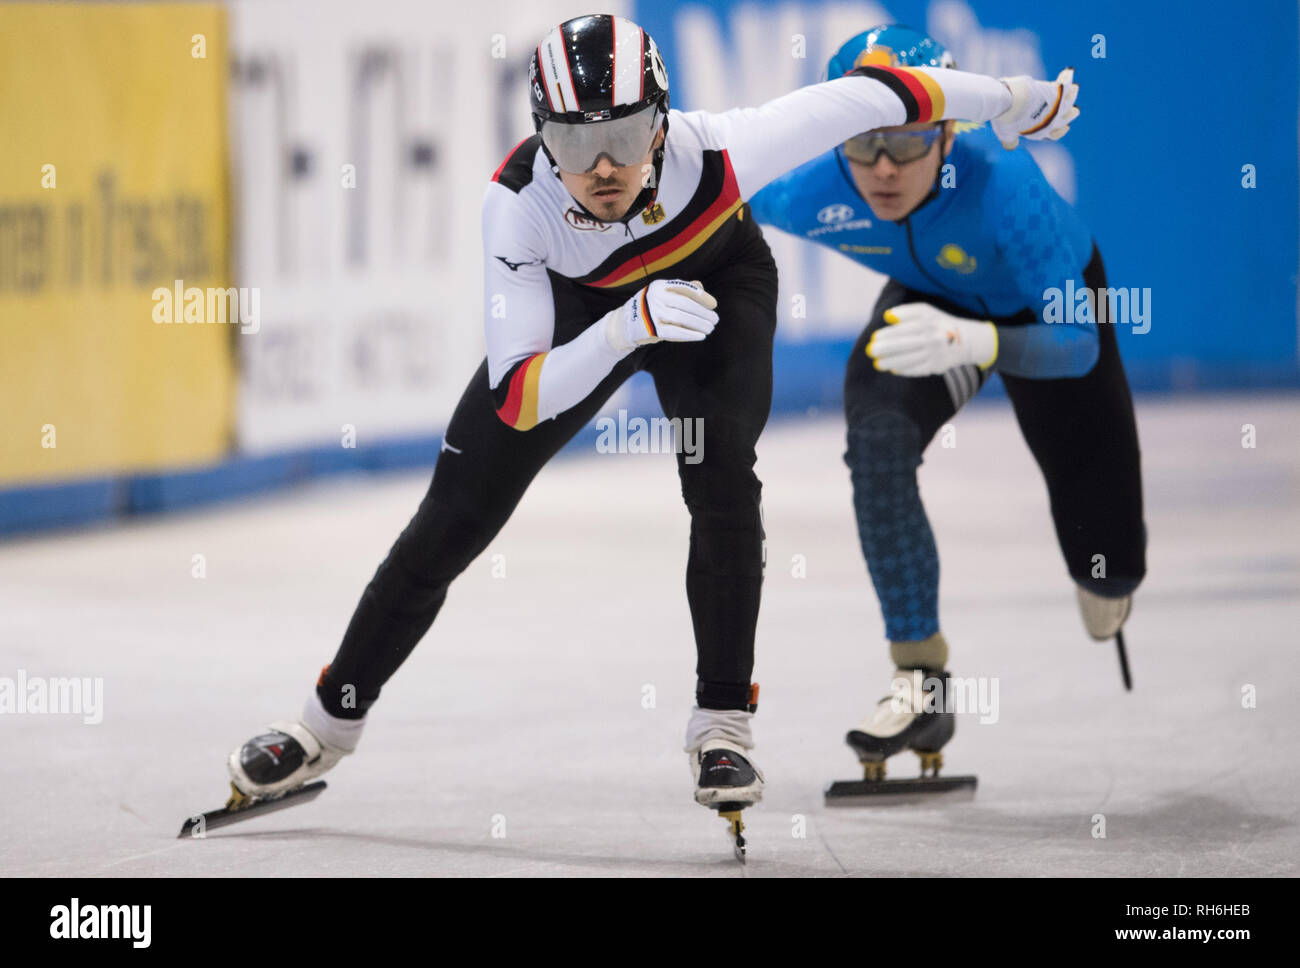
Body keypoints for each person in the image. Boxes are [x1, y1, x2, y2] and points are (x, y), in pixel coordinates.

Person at [222, 15, 1078, 837]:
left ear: (664, 125)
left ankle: (721, 727)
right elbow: (520, 396)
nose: (601, 167)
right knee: (454, 516)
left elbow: (879, 97)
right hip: (586, 317)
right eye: (571, 142)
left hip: (715, 290)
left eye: (626, 138)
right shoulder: (518, 208)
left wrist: (1008, 96)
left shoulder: (724, 146)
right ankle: (324, 726)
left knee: (719, 476)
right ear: (539, 138)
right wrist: (627, 324)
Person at [749, 25, 1144, 780]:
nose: (884, 168)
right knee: (876, 444)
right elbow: (703, 203)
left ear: (948, 130)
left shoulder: (1008, 190)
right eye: (862, 143)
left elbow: (1080, 348)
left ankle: (1109, 572)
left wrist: (980, 343)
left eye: (907, 141)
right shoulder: (804, 189)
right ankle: (920, 680)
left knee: (1107, 575)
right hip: (927, 304)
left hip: (1044, 320)